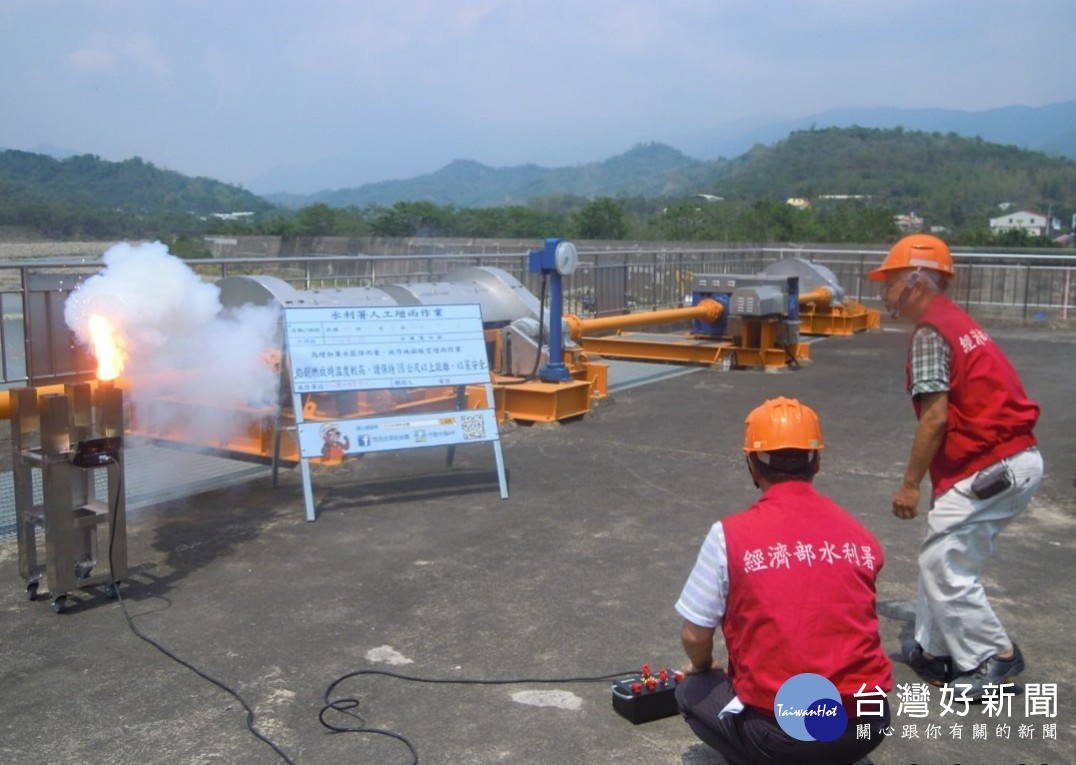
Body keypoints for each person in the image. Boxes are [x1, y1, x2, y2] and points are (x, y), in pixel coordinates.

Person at [868, 234, 1043, 698]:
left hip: (993, 462)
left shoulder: (930, 332)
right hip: (1004, 459)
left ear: (917, 281)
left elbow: (936, 417)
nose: (883, 294)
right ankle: (932, 648)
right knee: (943, 552)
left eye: (889, 283)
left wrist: (910, 485)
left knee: (943, 560)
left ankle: (994, 655)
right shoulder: (955, 321)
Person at [675, 397, 892, 765]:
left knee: (692, 690)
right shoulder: (860, 537)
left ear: (752, 466)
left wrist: (703, 665)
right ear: (817, 462)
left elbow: (695, 636)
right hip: (868, 725)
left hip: (784, 737)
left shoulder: (730, 536)